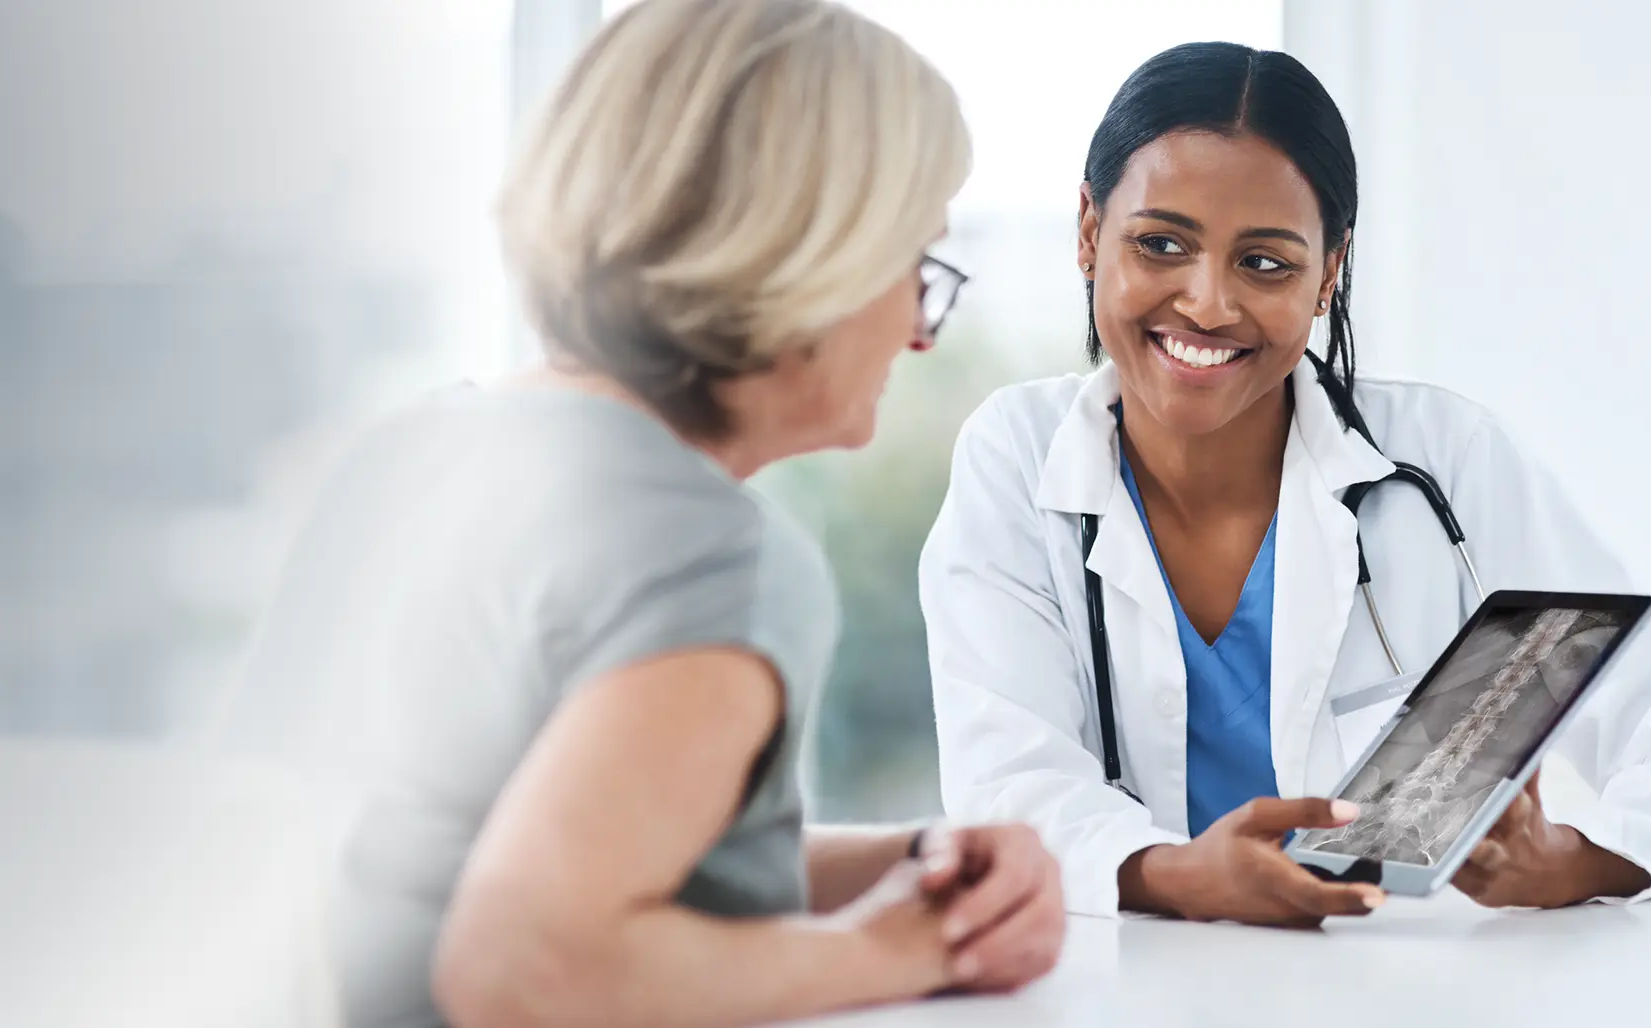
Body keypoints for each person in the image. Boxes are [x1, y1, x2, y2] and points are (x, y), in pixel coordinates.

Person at [232, 2, 1065, 1024]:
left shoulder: (407, 455)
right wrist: (903, 945)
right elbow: (527, 965)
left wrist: (910, 861)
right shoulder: (709, 552)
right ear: (812, 251)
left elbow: (579, 860)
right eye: (914, 267)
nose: (920, 330)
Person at [918, 42, 1651, 927]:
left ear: (1330, 271)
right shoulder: (1016, 458)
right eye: (1161, 244)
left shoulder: (1448, 462)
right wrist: (1169, 873)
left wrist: (1569, 862)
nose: (1207, 304)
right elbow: (1006, 782)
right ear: (1089, 232)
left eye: (1266, 262)